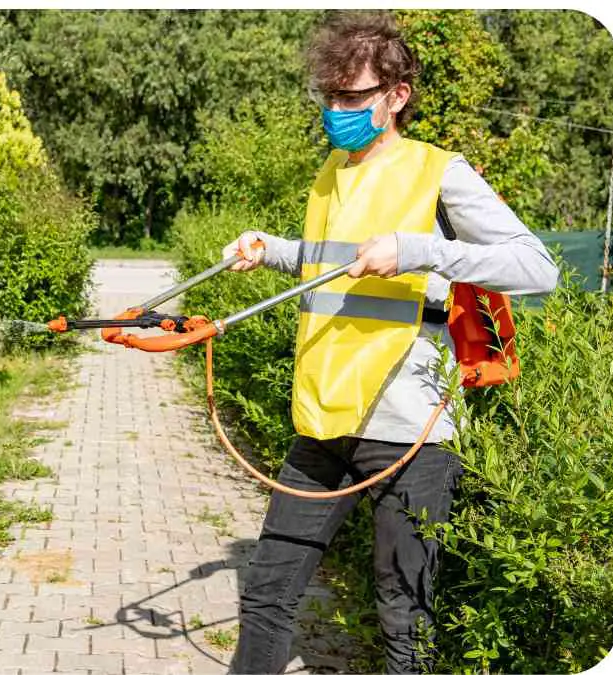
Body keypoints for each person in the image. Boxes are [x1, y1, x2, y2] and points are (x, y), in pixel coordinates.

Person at [223, 12, 558, 674]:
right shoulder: (331, 172)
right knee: (265, 595)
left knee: (405, 616)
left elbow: (537, 266)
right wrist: (270, 250)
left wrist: (418, 251)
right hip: (323, 419)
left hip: (409, 432)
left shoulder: (439, 172)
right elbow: (331, 264)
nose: (337, 110)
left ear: (396, 95)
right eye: (331, 96)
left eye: (353, 97)